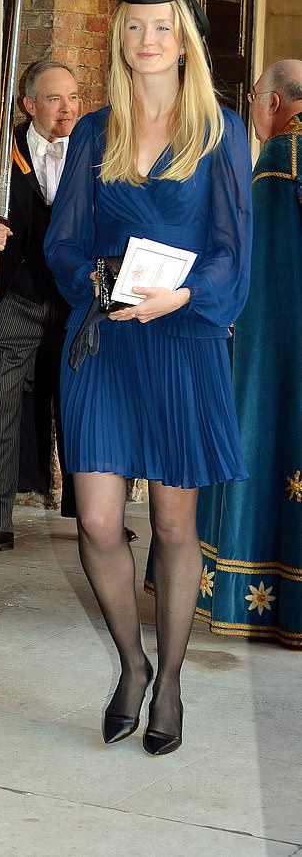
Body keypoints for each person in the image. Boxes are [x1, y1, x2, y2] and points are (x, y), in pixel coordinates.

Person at [44, 0, 252, 755]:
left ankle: (170, 684)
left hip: (182, 339)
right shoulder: (97, 130)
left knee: (172, 526)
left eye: (160, 29)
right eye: (133, 29)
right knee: (97, 520)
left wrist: (185, 297)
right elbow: (63, 236)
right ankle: (131, 662)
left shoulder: (222, 132)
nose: (145, 41)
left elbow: (236, 250)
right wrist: (90, 284)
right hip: (105, 338)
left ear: (186, 40)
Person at [0, 60, 80, 555]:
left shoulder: (95, 155)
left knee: (79, 409)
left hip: (75, 302)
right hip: (17, 301)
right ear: (29, 105)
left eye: (72, 98)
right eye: (54, 99)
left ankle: (91, 514)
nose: (67, 108)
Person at [196, 59, 302, 648]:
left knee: (260, 433)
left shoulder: (278, 162)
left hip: (276, 343)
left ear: (271, 104)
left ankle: (254, 594)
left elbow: (251, 269)